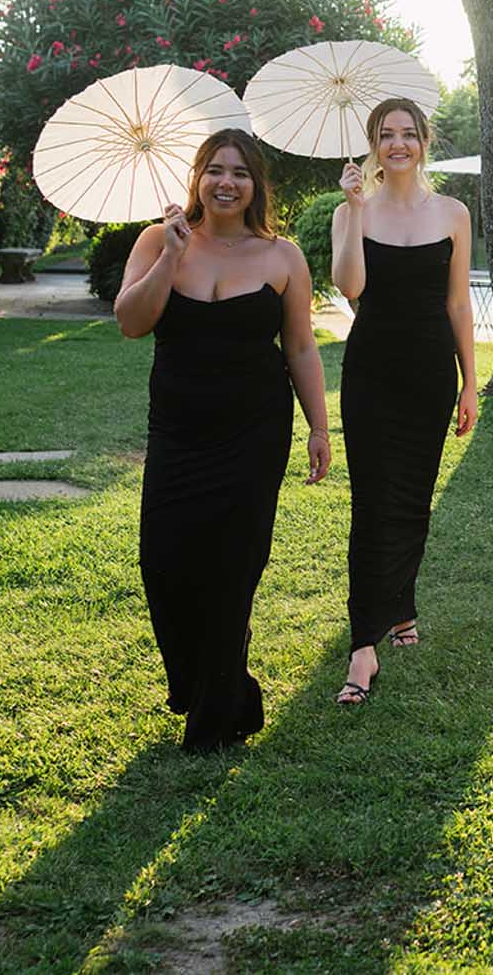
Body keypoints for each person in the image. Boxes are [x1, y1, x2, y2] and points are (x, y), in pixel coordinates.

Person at [114, 128, 331, 753]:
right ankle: (215, 688)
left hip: (254, 435)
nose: (227, 182)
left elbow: (300, 347)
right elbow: (132, 323)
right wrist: (170, 257)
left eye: (240, 171)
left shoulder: (282, 256)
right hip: (178, 433)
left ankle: (212, 720)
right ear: (198, 179)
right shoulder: (160, 240)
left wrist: (318, 427)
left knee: (232, 573)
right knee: (164, 565)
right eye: (215, 170)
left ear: (257, 184)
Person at [329, 98, 478, 706]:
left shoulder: (454, 213)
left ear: (423, 143)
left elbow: (459, 303)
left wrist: (470, 381)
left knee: (413, 499)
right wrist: (356, 209)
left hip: (429, 375)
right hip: (371, 372)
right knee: (372, 501)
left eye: (408, 134)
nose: (398, 144)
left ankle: (402, 605)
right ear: (372, 145)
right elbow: (349, 287)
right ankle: (364, 646)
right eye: (386, 135)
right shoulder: (352, 210)